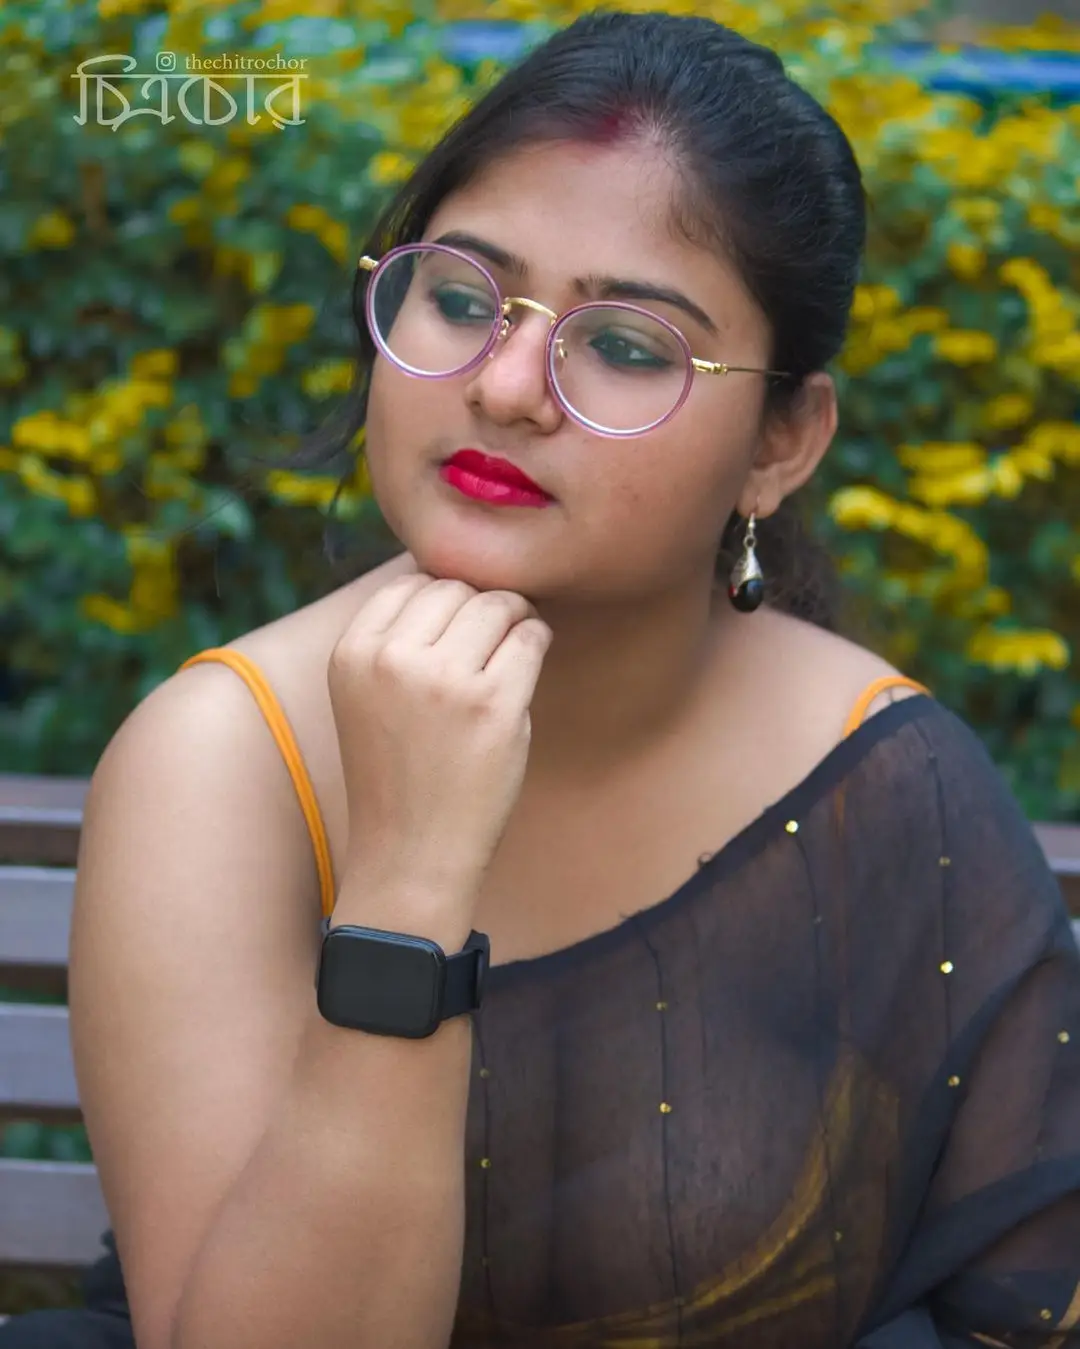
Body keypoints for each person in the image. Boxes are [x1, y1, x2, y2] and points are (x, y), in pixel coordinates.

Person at [5, 8, 1080, 1348]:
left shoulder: (883, 778)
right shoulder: (221, 760)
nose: (508, 386)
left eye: (624, 346)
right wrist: (407, 883)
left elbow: (1016, 1305)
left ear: (782, 444)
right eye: (463, 300)